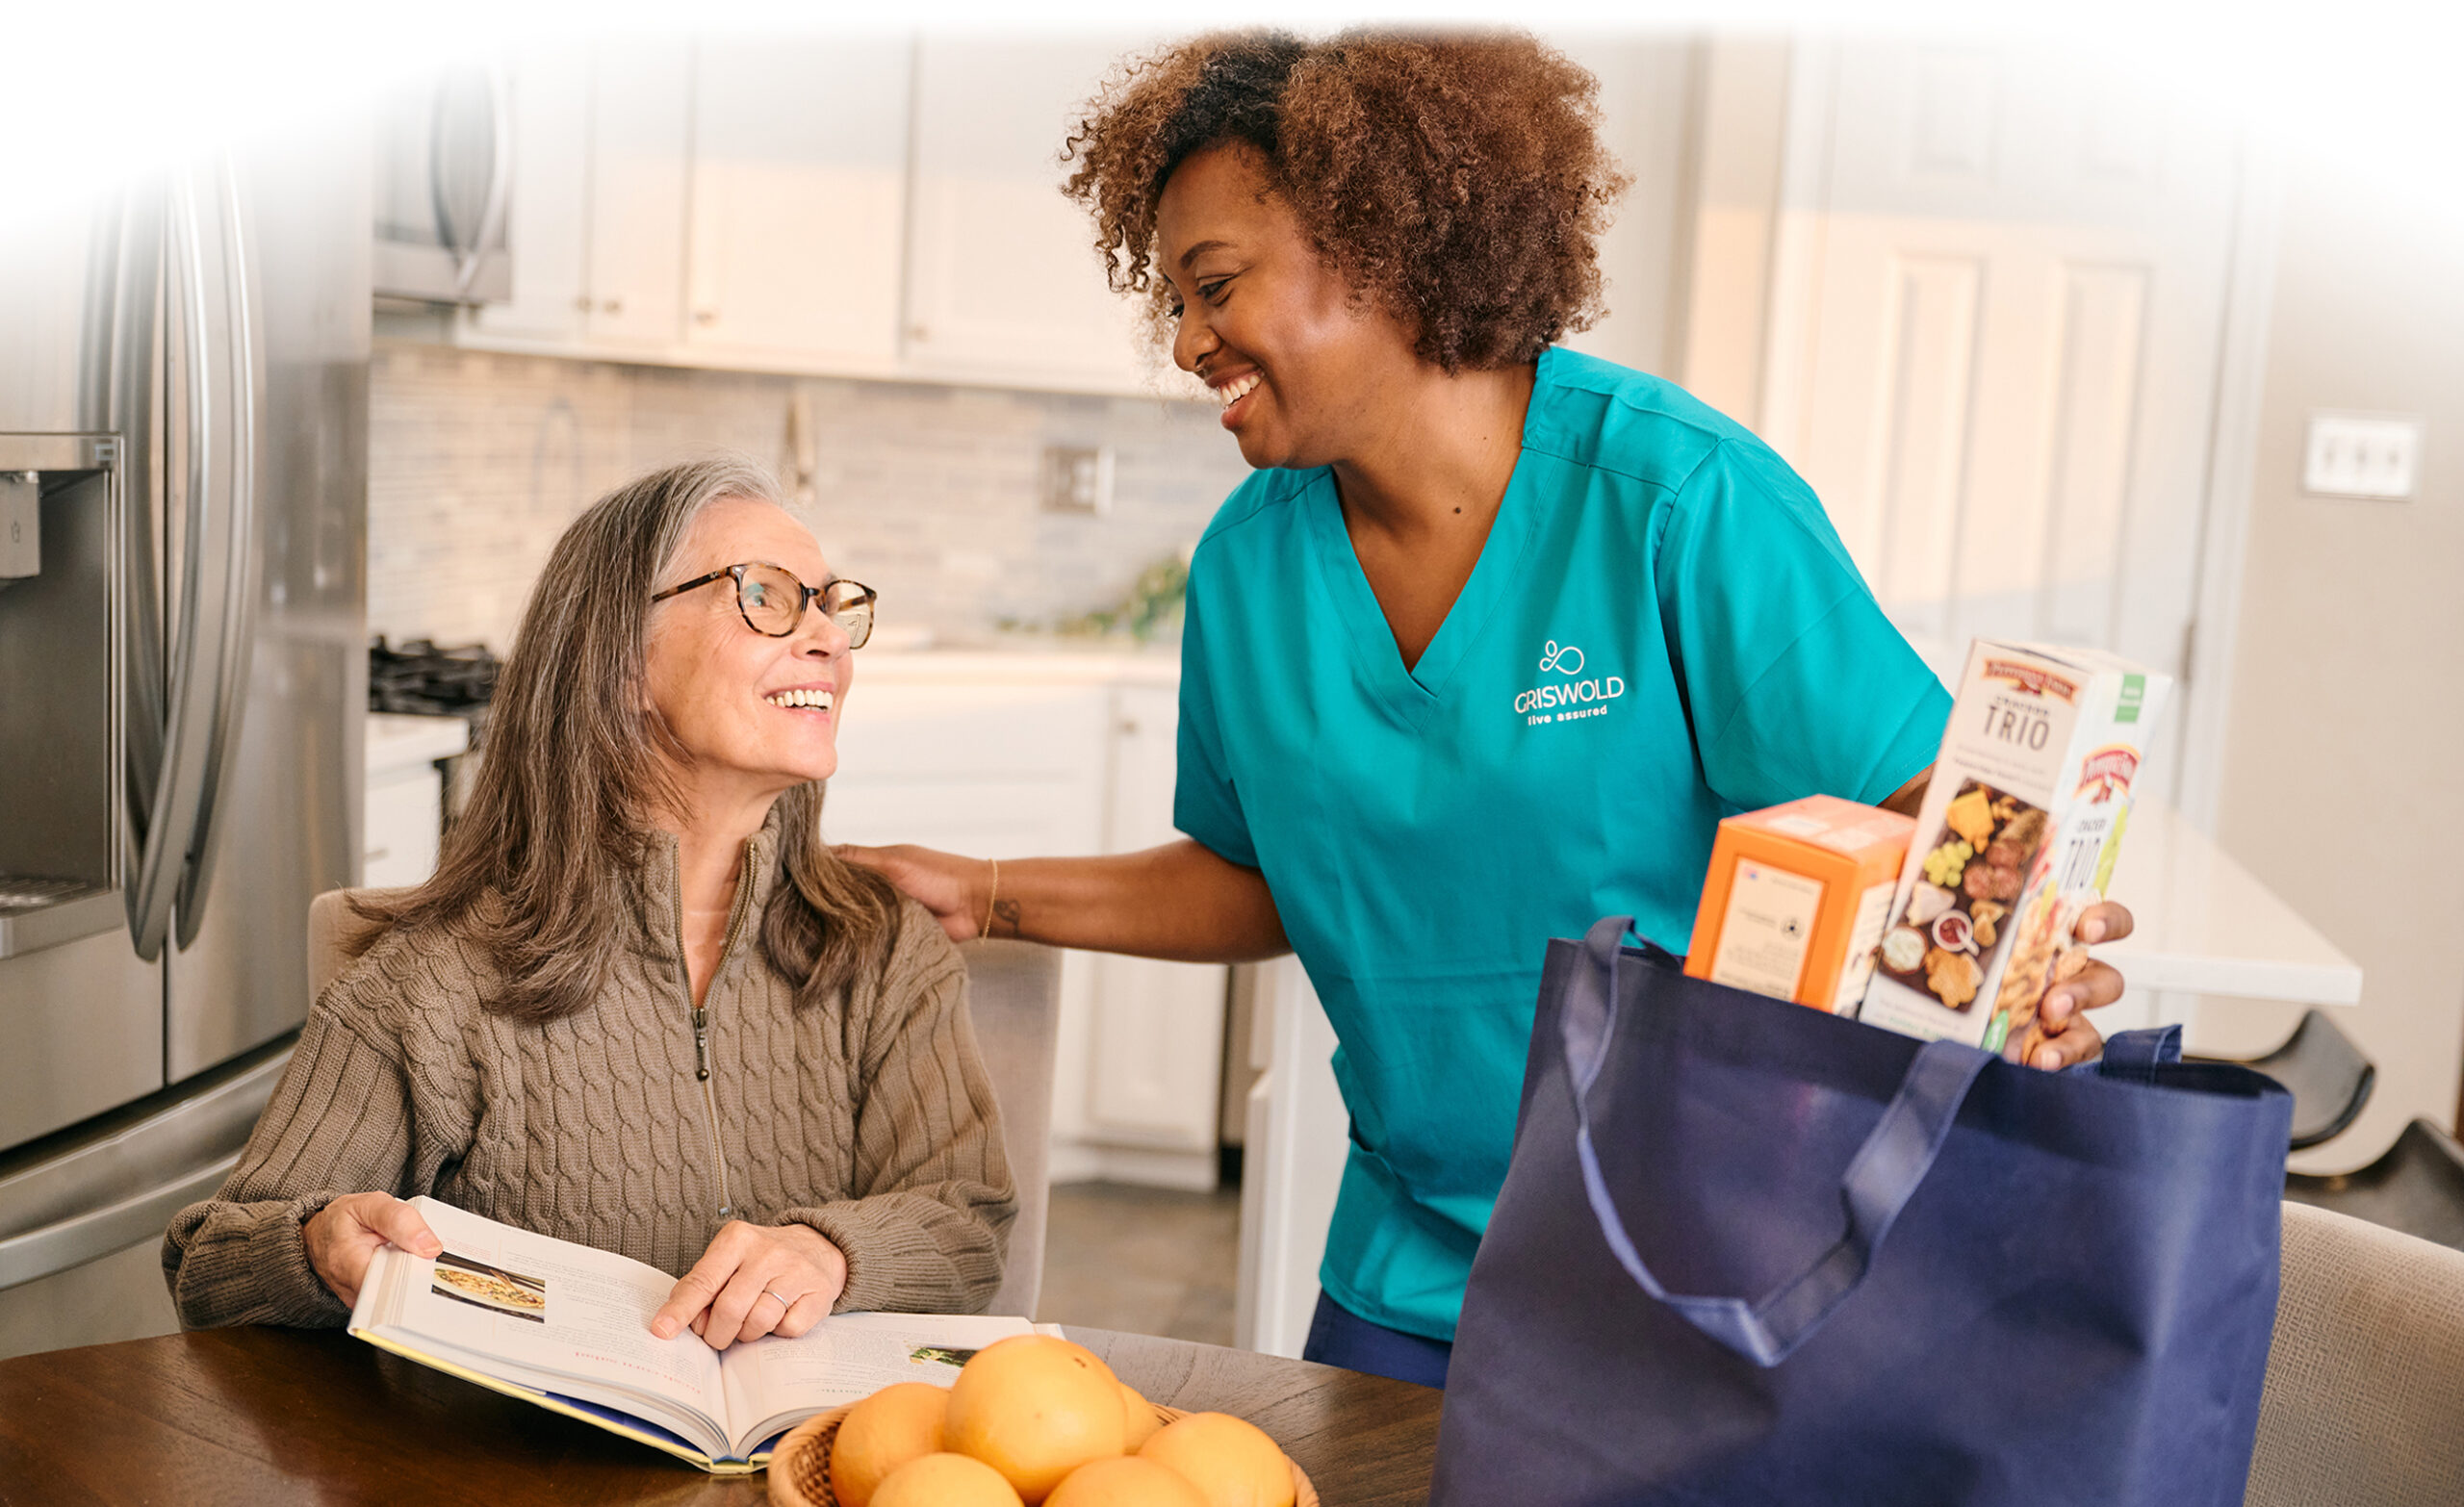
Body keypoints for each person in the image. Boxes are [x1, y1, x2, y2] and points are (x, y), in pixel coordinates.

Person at [843, 32, 2143, 1390]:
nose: (1184, 342)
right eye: (1173, 298)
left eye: (1216, 286)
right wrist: (985, 892)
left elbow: (1948, 829)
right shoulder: (1248, 565)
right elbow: (1263, 882)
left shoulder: (1677, 503)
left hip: (1703, 1278)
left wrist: (2033, 949)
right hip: (1403, 1276)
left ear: (1377, 244)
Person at [164, 458, 1014, 1350]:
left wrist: (832, 1251)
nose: (829, 640)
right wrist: (312, 1247)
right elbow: (209, 1267)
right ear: (618, 658)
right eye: (767, 596)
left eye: (831, 604)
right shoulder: (434, 984)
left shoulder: (880, 947)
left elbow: (968, 1217)